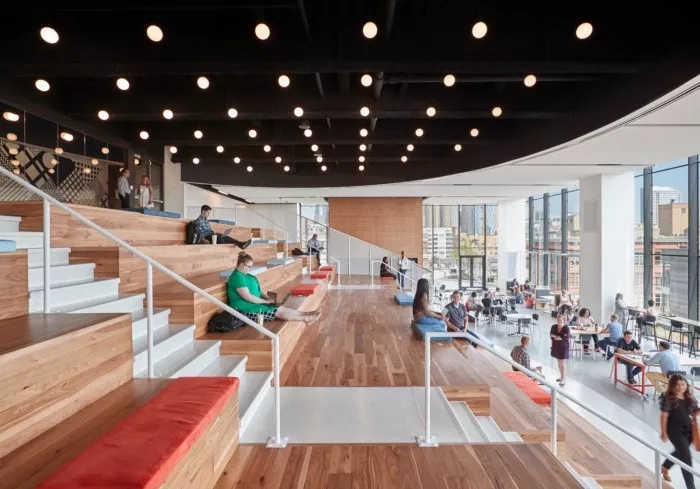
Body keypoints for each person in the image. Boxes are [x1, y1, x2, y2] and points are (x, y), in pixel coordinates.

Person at [227, 252, 320, 323]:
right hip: (243, 309)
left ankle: (305, 314)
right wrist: (265, 302)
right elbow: (247, 296)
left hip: (252, 304)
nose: (250, 269)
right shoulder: (237, 277)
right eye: (249, 267)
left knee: (279, 307)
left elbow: (259, 291)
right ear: (242, 265)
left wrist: (268, 299)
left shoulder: (244, 275)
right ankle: (305, 318)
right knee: (277, 310)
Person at [659, 374, 698, 487]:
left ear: (686, 385)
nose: (681, 387)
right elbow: (664, 416)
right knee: (686, 458)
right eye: (677, 385)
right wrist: (663, 432)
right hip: (674, 430)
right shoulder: (668, 398)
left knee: (681, 452)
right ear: (672, 386)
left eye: (683, 384)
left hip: (688, 430)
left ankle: (665, 466)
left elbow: (695, 411)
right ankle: (691, 487)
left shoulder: (689, 398)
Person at [550, 314, 570, 387]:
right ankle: (561, 376)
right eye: (558, 320)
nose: (559, 321)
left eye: (561, 320)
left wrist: (555, 336)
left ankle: (564, 379)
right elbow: (551, 336)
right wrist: (557, 337)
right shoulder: (554, 326)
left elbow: (563, 338)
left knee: (562, 363)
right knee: (558, 362)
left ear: (564, 320)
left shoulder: (566, 328)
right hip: (556, 346)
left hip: (563, 347)